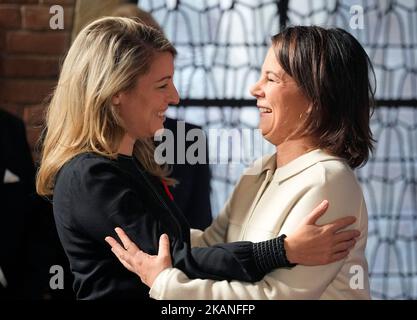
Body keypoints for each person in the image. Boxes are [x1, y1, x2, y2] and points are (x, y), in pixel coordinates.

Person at [36, 18, 360, 300]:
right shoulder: (92, 175)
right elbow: (190, 250)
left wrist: (166, 281)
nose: (253, 88)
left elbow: (197, 254)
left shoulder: (326, 181)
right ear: (116, 90)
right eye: (163, 84)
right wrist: (282, 250)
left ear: (315, 100)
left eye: (271, 79)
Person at [112, 3, 213, 229]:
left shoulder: (188, 139)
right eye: (161, 83)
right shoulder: (86, 159)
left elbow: (200, 229)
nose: (174, 96)